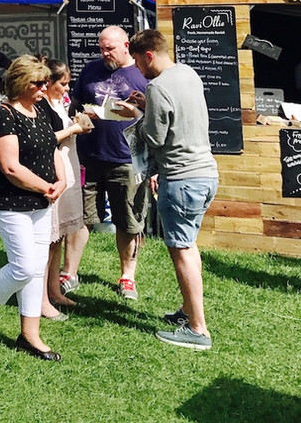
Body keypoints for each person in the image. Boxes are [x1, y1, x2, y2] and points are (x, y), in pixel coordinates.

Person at [121, 29, 219, 350]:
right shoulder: (188, 73)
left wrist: (136, 113)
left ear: (148, 55)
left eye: (136, 61)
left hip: (181, 179)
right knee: (190, 245)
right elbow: (178, 114)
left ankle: (197, 329)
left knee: (182, 250)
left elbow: (154, 137)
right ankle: (189, 310)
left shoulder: (157, 86)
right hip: (206, 174)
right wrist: (149, 104)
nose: (136, 68)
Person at [0, 55, 66, 361]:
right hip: (11, 202)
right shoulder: (4, 115)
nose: (44, 87)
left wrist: (61, 180)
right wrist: (45, 186)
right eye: (38, 83)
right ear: (21, 84)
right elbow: (10, 167)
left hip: (41, 200)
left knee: (36, 269)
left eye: (45, 82)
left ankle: (30, 334)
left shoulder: (40, 109)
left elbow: (51, 146)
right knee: (24, 267)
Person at [69, 25, 149, 299]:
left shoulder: (142, 73)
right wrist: (82, 115)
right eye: (101, 48)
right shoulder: (91, 69)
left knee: (127, 221)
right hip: (88, 156)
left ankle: (128, 277)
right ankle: (69, 272)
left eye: (110, 48)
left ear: (126, 45)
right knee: (80, 218)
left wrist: (136, 111)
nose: (104, 53)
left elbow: (155, 116)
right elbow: (75, 103)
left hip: (126, 159)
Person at [37, 58, 92, 317]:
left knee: (57, 238)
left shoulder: (57, 103)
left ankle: (54, 291)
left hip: (67, 171)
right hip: (52, 174)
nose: (67, 89)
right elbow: (48, 138)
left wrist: (77, 124)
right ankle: (41, 298)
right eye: (63, 84)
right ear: (47, 83)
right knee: (48, 239)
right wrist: (74, 129)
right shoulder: (41, 106)